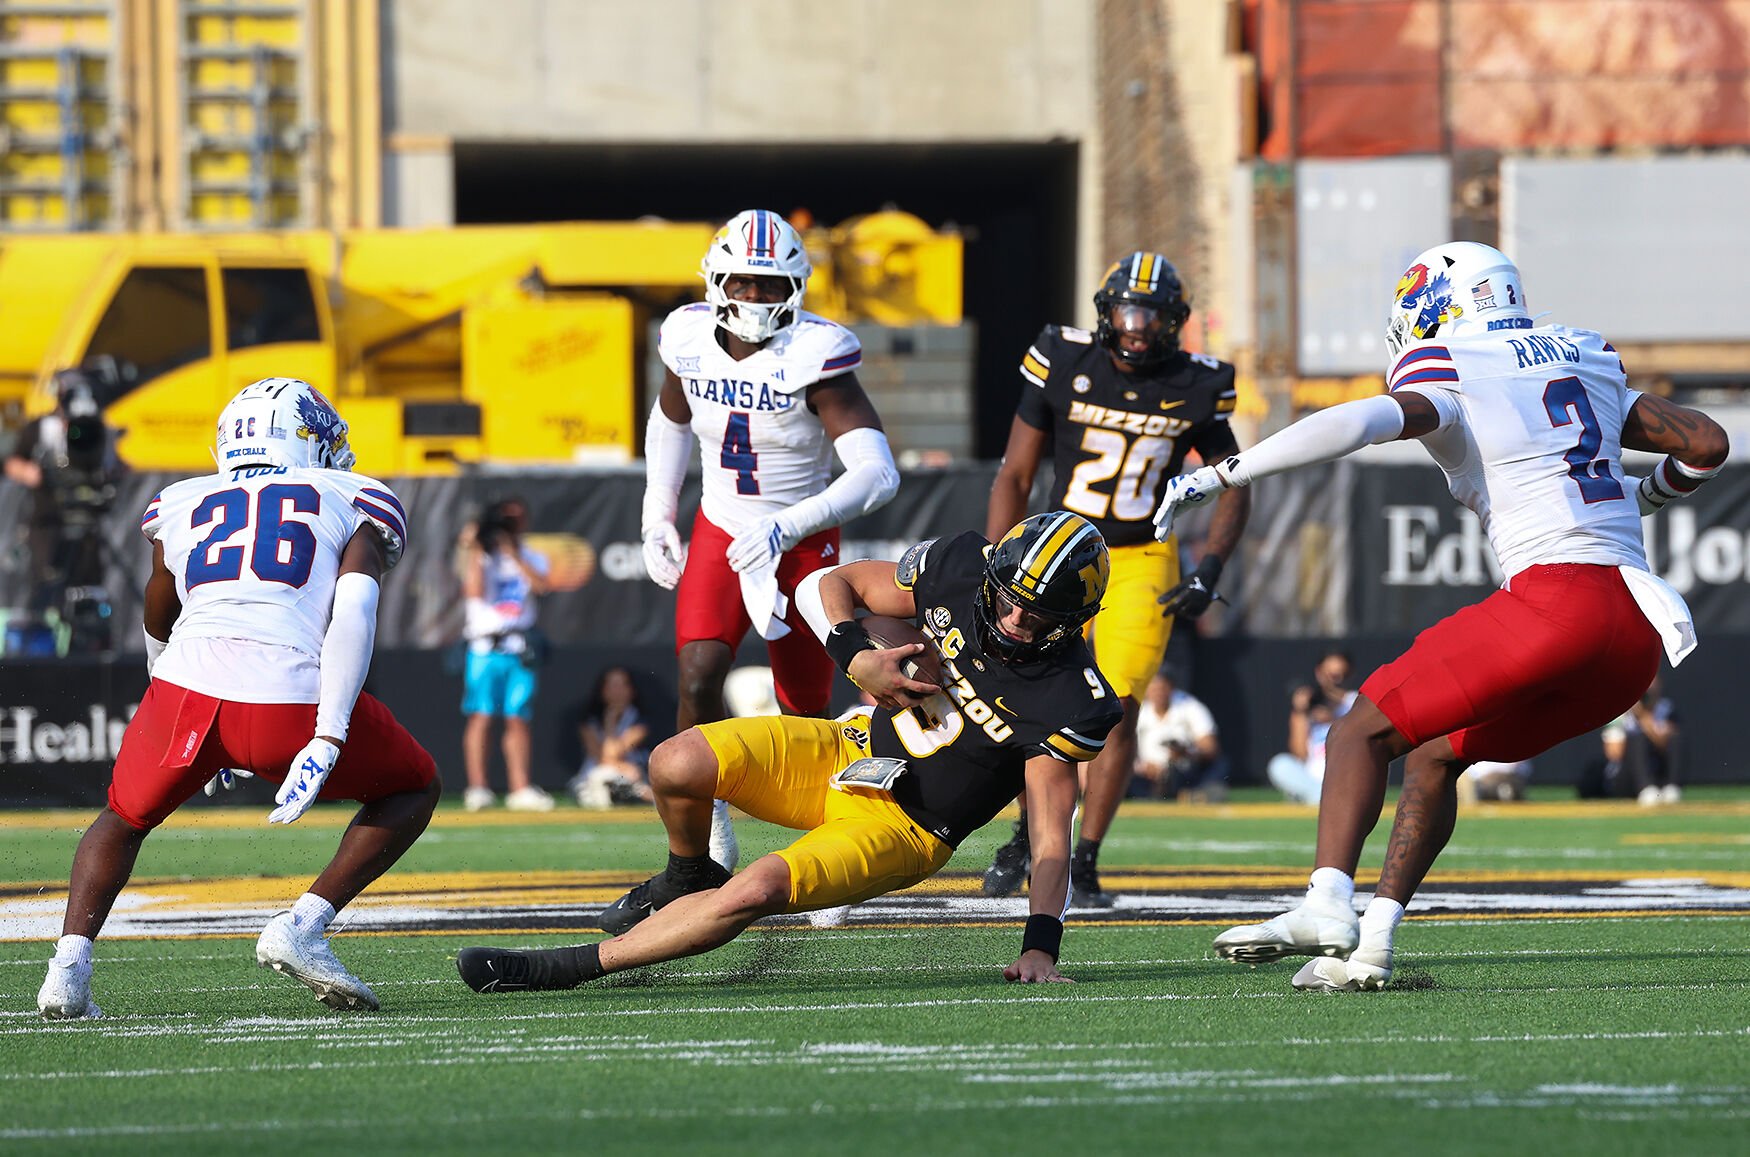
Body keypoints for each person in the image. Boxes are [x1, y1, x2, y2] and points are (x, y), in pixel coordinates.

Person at [1157, 241, 1726, 992]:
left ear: (1439, 305)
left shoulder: (1459, 365)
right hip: (1634, 635)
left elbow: (1360, 423)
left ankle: (1326, 902)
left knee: (1361, 727)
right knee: (1434, 753)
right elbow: (1707, 443)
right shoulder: (1583, 354)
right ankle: (1374, 947)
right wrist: (1644, 499)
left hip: (1555, 601)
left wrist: (1228, 470)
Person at [453, 511, 1124, 994]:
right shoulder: (958, 566)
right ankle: (687, 873)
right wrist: (854, 653)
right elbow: (842, 582)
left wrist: (1040, 943)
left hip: (908, 824)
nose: (1012, 619)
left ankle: (570, 966)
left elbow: (1048, 833)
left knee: (759, 886)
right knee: (675, 762)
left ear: (1071, 621)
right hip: (850, 747)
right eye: (1008, 598)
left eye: (1035, 616)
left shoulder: (1070, 695)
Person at [35, 377, 440, 1019]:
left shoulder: (183, 501)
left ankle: (67, 970)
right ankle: (302, 926)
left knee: (121, 818)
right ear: (303, 437)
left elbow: (158, 608)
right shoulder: (353, 496)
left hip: (182, 692)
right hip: (290, 698)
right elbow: (354, 612)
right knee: (415, 785)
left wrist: (163, 694)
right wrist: (330, 733)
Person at [981, 251, 1251, 905]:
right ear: (1107, 313)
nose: (1138, 327)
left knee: (1118, 706)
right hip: (1054, 553)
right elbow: (1016, 472)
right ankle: (1026, 834)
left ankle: (1086, 856)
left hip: (1140, 554)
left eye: (1153, 316)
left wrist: (1210, 565)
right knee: (1033, 699)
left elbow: (1235, 479)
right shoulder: (1063, 359)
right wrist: (996, 557)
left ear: (1174, 323)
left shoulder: (1196, 382)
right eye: (1129, 311)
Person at [640, 208, 901, 871]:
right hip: (723, 524)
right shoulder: (687, 337)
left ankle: (820, 842)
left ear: (796, 288)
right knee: (698, 674)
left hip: (801, 535)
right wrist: (656, 509)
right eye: (743, 283)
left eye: (769, 285)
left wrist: (785, 525)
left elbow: (878, 474)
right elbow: (670, 420)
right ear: (716, 281)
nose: (754, 298)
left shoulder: (816, 355)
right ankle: (698, 838)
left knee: (806, 705)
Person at [3, 367, 125, 647]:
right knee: (48, 588)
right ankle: (41, 652)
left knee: (89, 589)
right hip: (49, 523)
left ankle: (90, 645)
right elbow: (13, 462)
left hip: (88, 523)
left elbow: (111, 464)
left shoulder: (99, 429)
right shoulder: (41, 428)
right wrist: (33, 473)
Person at [459, 496, 553, 812]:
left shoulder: (531, 555)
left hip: (518, 646)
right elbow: (473, 590)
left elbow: (541, 586)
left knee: (518, 716)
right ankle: (478, 787)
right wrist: (476, 546)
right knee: (482, 715)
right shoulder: (481, 556)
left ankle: (520, 787)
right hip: (484, 646)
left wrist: (514, 553)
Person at [1265, 649, 1357, 804]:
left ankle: (1316, 798)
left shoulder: (1355, 702)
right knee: (1279, 764)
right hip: (1313, 778)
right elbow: (1299, 753)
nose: (1337, 680)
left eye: (1342, 675)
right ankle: (1317, 796)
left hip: (1344, 775)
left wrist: (1333, 720)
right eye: (1332, 675)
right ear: (1319, 673)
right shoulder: (1308, 707)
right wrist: (1300, 713)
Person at [1580, 676, 1683, 804]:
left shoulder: (1666, 709)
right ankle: (1646, 788)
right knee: (1637, 739)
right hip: (1626, 778)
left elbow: (1666, 743)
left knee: (1675, 739)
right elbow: (1614, 753)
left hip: (1657, 773)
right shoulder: (1619, 711)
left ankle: (1671, 787)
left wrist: (1644, 719)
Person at [1131, 670, 1226, 800]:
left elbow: (1210, 747)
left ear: (1172, 688)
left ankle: (1189, 793)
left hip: (1183, 770)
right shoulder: (1137, 709)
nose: (1158, 693)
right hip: (1145, 774)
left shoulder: (1189, 706)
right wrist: (1141, 766)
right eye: (1153, 688)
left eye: (1162, 688)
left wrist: (1185, 753)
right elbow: (1121, 746)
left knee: (1219, 767)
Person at [569, 666, 653, 808]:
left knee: (616, 781)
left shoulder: (639, 720)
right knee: (599, 778)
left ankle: (631, 795)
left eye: (622, 685)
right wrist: (610, 720)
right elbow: (602, 755)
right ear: (602, 690)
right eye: (612, 686)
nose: (617, 691)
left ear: (631, 690)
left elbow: (614, 752)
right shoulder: (589, 721)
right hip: (597, 773)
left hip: (626, 777)